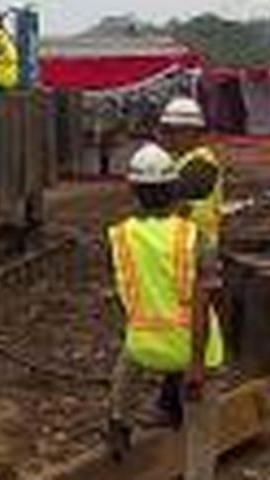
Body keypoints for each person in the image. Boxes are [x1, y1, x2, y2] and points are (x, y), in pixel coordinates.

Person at [107, 143, 224, 478]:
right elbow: (201, 306)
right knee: (201, 438)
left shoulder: (121, 236)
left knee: (126, 362)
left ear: (133, 190)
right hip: (192, 350)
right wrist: (197, 365)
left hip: (145, 346)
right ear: (174, 189)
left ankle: (119, 422)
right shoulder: (194, 238)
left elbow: (128, 292)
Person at [159, 96, 225, 248]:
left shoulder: (201, 163)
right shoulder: (181, 160)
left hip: (197, 245)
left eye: (174, 131)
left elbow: (180, 205)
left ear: (194, 132)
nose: (168, 137)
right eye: (166, 131)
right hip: (186, 242)